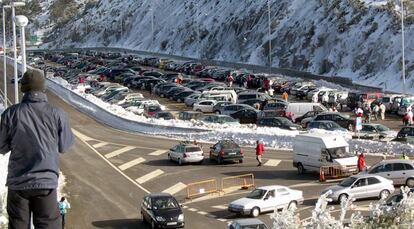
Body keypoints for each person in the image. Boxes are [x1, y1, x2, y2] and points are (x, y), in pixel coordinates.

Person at [0, 69, 74, 228]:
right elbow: (65, 145)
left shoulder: (10, 114)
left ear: (23, 88)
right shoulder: (58, 113)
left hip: (18, 184)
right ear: (43, 87)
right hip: (46, 184)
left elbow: (1, 146)